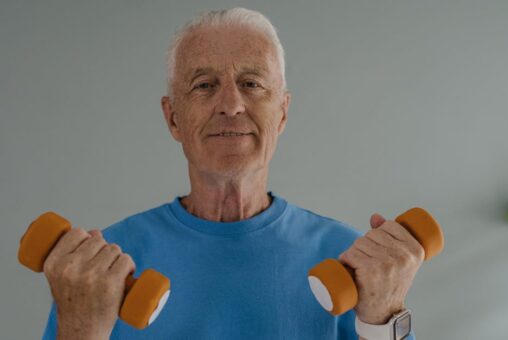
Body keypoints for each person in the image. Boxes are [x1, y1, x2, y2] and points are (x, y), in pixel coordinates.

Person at [41, 7, 423, 340]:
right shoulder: (103, 269)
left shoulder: (349, 259)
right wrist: (80, 330)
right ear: (173, 117)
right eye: (204, 85)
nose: (231, 105)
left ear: (283, 113)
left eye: (252, 84)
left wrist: (382, 319)